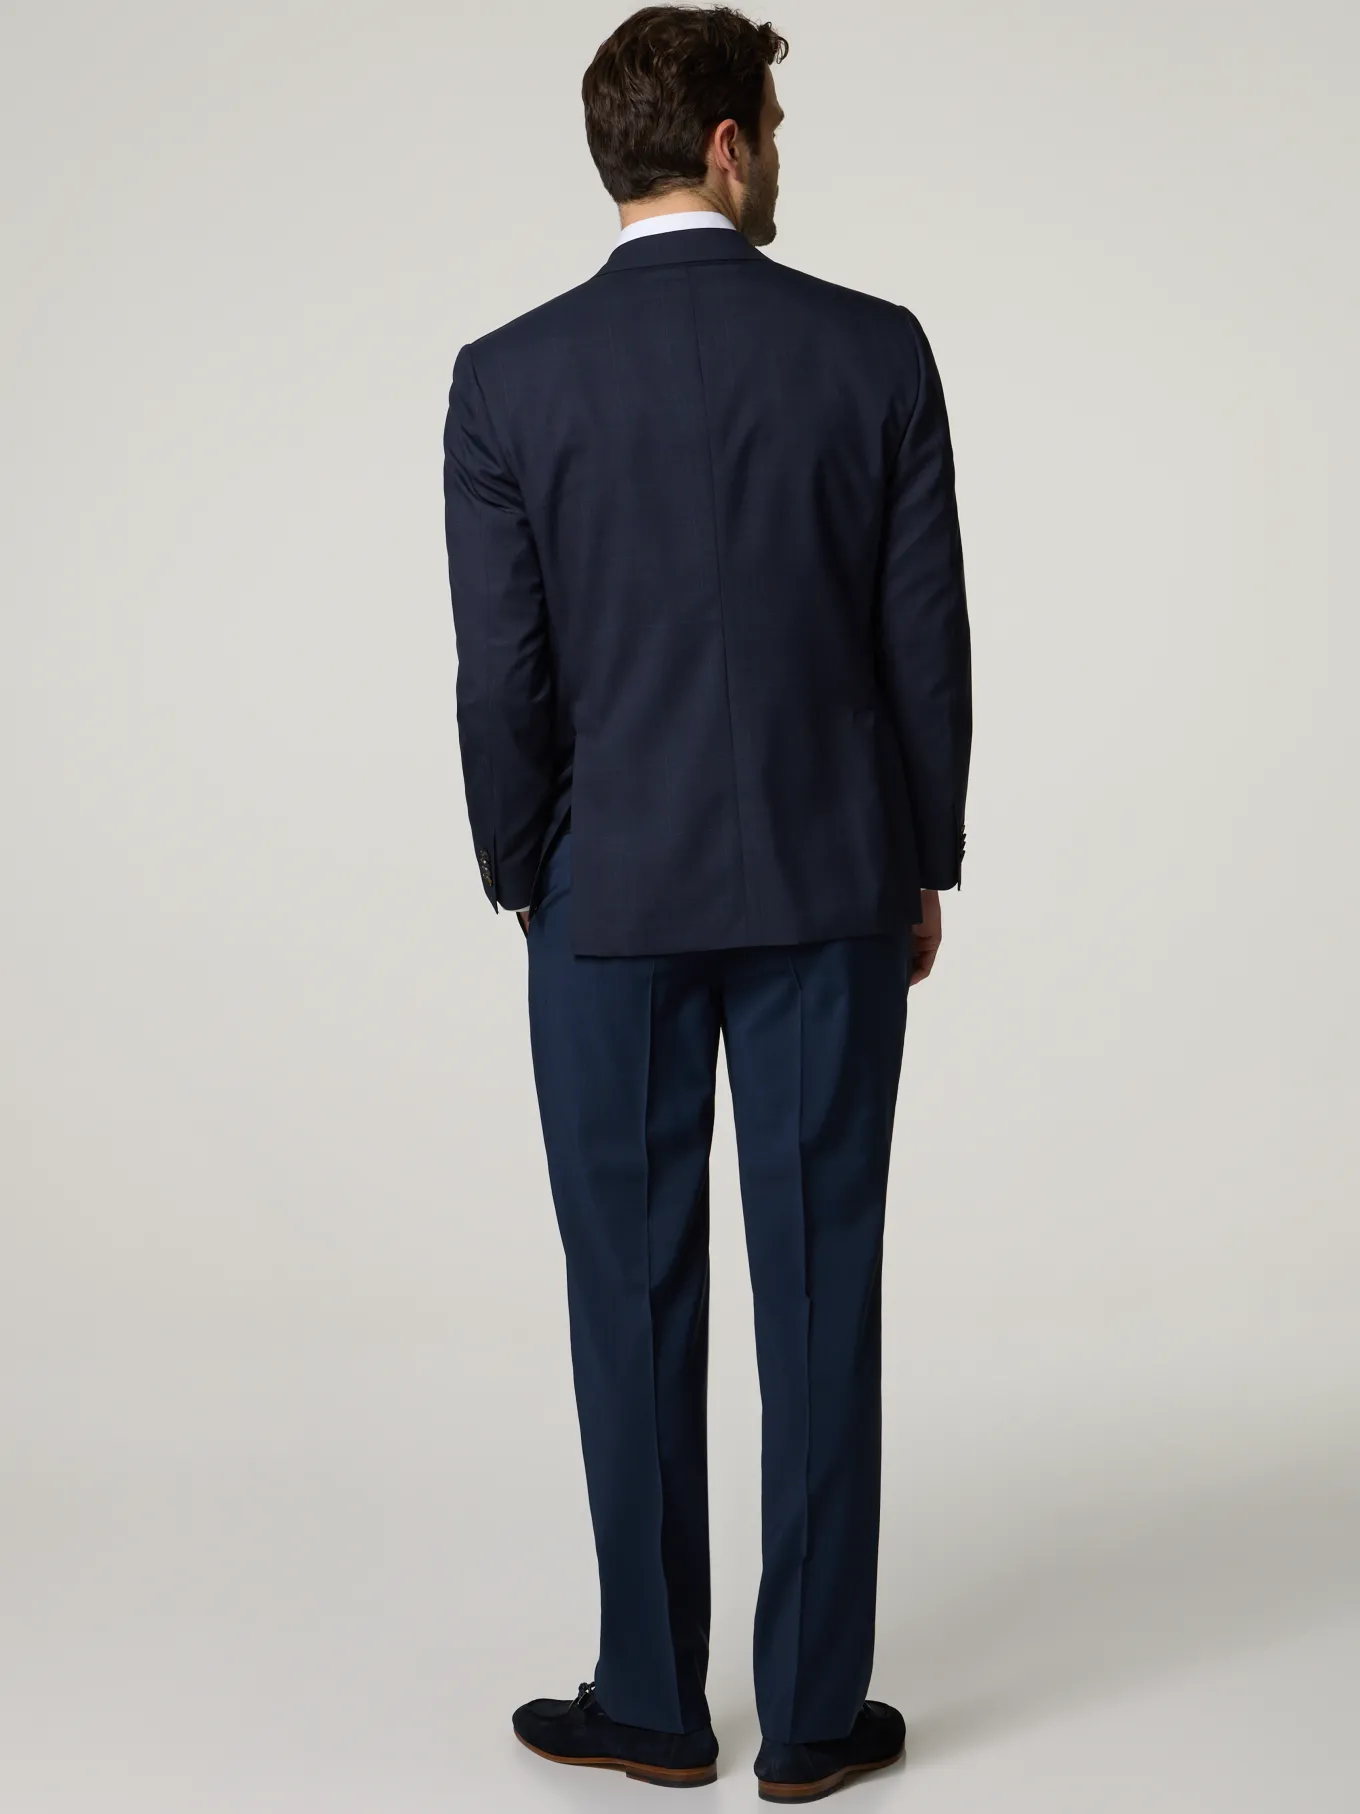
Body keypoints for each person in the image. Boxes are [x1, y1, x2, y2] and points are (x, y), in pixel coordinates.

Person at [442, 5, 971, 1800]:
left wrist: (526, 870)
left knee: (629, 1293)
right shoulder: (875, 350)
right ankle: (813, 1719)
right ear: (733, 144)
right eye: (776, 132)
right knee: (822, 1288)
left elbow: (503, 677)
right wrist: (921, 858)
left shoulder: (508, 379)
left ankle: (653, 1702)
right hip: (831, 886)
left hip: (605, 899)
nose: (777, 160)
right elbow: (923, 644)